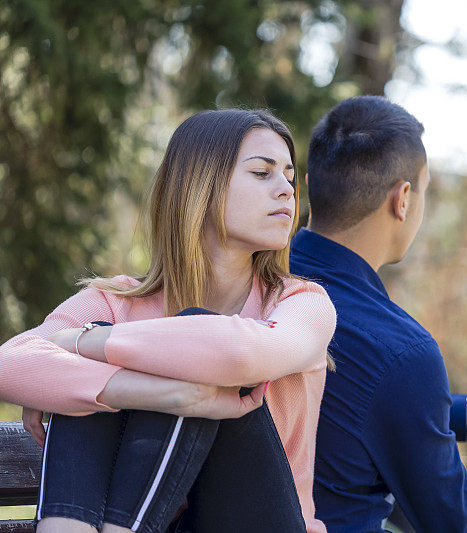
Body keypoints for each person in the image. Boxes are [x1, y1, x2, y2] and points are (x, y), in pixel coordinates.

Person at [0, 109, 335, 533]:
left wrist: (83, 343)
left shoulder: (302, 303)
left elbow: (238, 351)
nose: (286, 190)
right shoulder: (116, 300)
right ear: (200, 184)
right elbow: (9, 362)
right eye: (262, 173)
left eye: (288, 175)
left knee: (197, 351)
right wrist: (163, 395)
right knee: (95, 384)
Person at [290, 95, 467, 532]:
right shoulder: (397, 348)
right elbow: (457, 526)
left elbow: (357, 401)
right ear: (403, 199)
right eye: (425, 189)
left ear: (311, 183)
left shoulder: (257, 280)